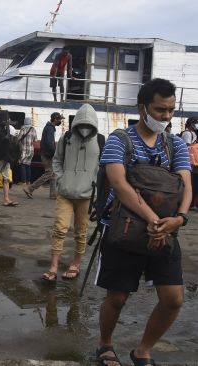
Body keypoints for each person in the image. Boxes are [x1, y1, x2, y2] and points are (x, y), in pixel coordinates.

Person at [95, 78, 192, 366]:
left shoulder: (175, 145)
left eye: (171, 110)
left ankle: (143, 351)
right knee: (118, 297)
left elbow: (186, 185)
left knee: (173, 298)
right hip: (125, 229)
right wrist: (154, 219)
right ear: (143, 107)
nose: (166, 116)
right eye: (160, 110)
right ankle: (105, 345)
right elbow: (119, 184)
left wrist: (179, 219)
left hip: (166, 231)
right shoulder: (119, 139)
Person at [40, 104, 101, 282]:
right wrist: (61, 178)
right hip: (65, 193)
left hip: (87, 195)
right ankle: (53, 265)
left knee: (81, 232)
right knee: (59, 229)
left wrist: (96, 187)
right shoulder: (66, 138)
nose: (84, 128)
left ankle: (76, 263)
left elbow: (103, 168)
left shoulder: (101, 141)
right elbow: (57, 160)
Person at [24, 112, 63, 200]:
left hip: (46, 154)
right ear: (55, 119)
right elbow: (49, 144)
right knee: (49, 173)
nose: (60, 121)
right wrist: (54, 153)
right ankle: (30, 188)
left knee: (52, 174)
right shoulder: (50, 128)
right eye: (59, 119)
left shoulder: (49, 127)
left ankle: (53, 194)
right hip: (47, 155)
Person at [181, 117, 198, 210]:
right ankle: (190, 204)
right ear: (190, 123)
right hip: (190, 162)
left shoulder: (193, 133)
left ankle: (192, 203)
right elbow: (187, 147)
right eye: (195, 123)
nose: (196, 125)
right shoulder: (187, 133)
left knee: (194, 183)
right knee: (192, 183)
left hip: (193, 162)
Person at [17, 117, 37, 186]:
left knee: (22, 165)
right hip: (31, 150)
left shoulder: (23, 128)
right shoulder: (33, 129)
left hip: (24, 149)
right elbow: (35, 140)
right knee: (28, 165)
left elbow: (19, 138)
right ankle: (29, 181)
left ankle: (23, 182)